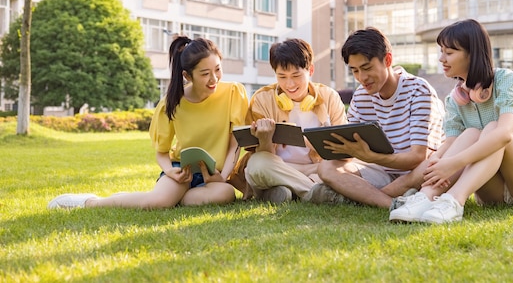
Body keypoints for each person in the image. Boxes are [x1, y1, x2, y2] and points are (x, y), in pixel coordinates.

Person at [389, 19, 513, 223]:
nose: (441, 59)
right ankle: (425, 198)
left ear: (471, 53)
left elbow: (505, 134)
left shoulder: (507, 81)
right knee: (471, 133)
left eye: (449, 52)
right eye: (441, 52)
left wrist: (453, 163)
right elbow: (450, 143)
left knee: (493, 129)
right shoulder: (454, 100)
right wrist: (438, 161)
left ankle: (454, 202)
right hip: (494, 193)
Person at [48, 36, 248, 209]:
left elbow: (235, 144)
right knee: (155, 204)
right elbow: (162, 152)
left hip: (215, 176)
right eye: (205, 74)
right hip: (183, 170)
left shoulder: (233, 93)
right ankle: (92, 202)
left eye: (217, 69)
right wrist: (170, 171)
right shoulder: (171, 103)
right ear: (187, 75)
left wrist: (223, 177)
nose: (214, 78)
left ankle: (170, 198)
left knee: (225, 194)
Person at [304, 27, 445, 208]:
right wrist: (340, 147)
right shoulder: (362, 95)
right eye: (355, 71)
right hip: (380, 172)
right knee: (326, 167)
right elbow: (350, 154)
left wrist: (370, 157)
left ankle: (360, 197)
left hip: (415, 172)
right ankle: (391, 203)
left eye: (367, 68)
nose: (362, 78)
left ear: (387, 60)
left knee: (431, 165)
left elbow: (417, 157)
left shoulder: (418, 91)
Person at [242, 38, 347, 203]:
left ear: (310, 70)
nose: (289, 84)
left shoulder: (329, 97)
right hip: (279, 168)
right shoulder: (262, 99)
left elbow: (344, 153)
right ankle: (314, 192)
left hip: (317, 168)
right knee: (256, 165)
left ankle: (283, 191)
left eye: (296, 75)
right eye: (281, 76)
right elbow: (264, 157)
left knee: (341, 168)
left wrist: (311, 141)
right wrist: (265, 139)